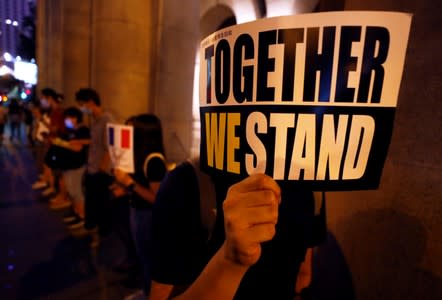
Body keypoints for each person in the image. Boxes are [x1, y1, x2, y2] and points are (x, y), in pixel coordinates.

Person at [149, 155, 326, 300]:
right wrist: (230, 262)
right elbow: (162, 293)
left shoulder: (310, 183)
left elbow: (303, 274)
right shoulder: (185, 182)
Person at [110, 114, 167, 298]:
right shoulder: (140, 155)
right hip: (137, 211)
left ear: (143, 134)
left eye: (129, 130)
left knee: (148, 258)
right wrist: (126, 189)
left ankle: (150, 294)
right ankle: (145, 291)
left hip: (147, 216)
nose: (125, 134)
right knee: (142, 256)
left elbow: (157, 198)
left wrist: (129, 183)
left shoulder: (154, 160)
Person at [75, 87, 113, 245]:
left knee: (100, 204)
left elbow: (109, 148)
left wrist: (101, 172)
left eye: (82, 104)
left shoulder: (107, 120)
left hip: (99, 171)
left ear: (90, 102)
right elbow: (95, 143)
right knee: (91, 202)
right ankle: (91, 230)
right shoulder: (96, 121)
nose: (81, 108)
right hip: (92, 168)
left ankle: (100, 235)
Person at [49, 107, 90, 228]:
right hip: (67, 165)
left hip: (76, 165)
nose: (66, 120)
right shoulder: (69, 130)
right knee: (72, 192)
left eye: (68, 117)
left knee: (76, 192)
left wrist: (61, 143)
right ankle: (76, 213)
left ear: (75, 118)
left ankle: (83, 217)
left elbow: (78, 148)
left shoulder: (83, 130)